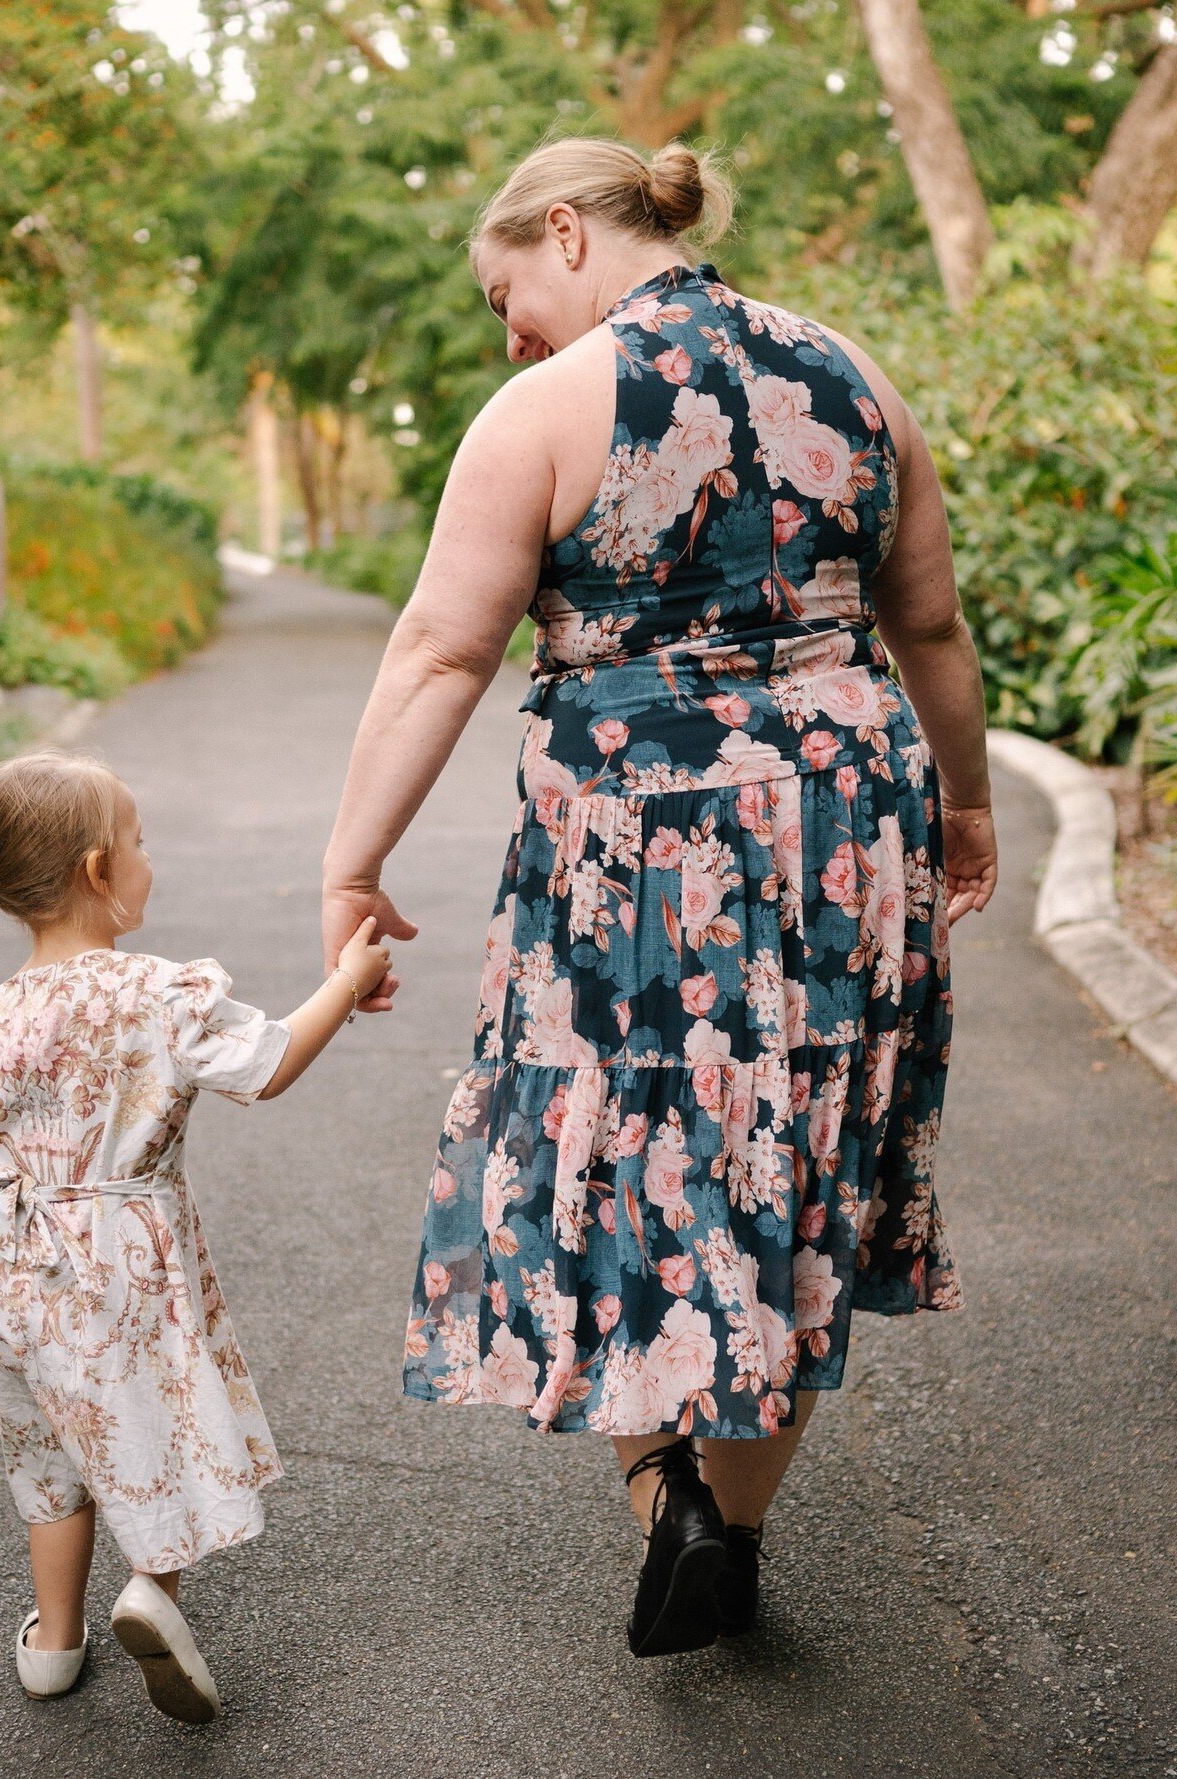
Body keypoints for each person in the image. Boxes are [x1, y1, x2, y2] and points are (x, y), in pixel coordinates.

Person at [321, 135, 997, 1658]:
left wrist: (351, 862)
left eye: (508, 291)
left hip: (643, 832)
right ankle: (735, 1535)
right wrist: (965, 806)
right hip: (846, 818)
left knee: (630, 1140)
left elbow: (441, 651)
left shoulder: (545, 409)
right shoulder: (854, 376)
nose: (507, 331)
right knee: (791, 1152)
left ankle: (668, 1498)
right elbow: (933, 622)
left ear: (568, 232)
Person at [0, 749, 390, 1719]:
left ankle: (54, 1641)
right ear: (96, 871)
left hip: (18, 1267)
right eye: (139, 842)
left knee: (49, 1449)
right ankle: (153, 1591)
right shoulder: (153, 996)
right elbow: (267, 1062)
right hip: (130, 1260)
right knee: (150, 1428)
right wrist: (349, 977)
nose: (149, 858)